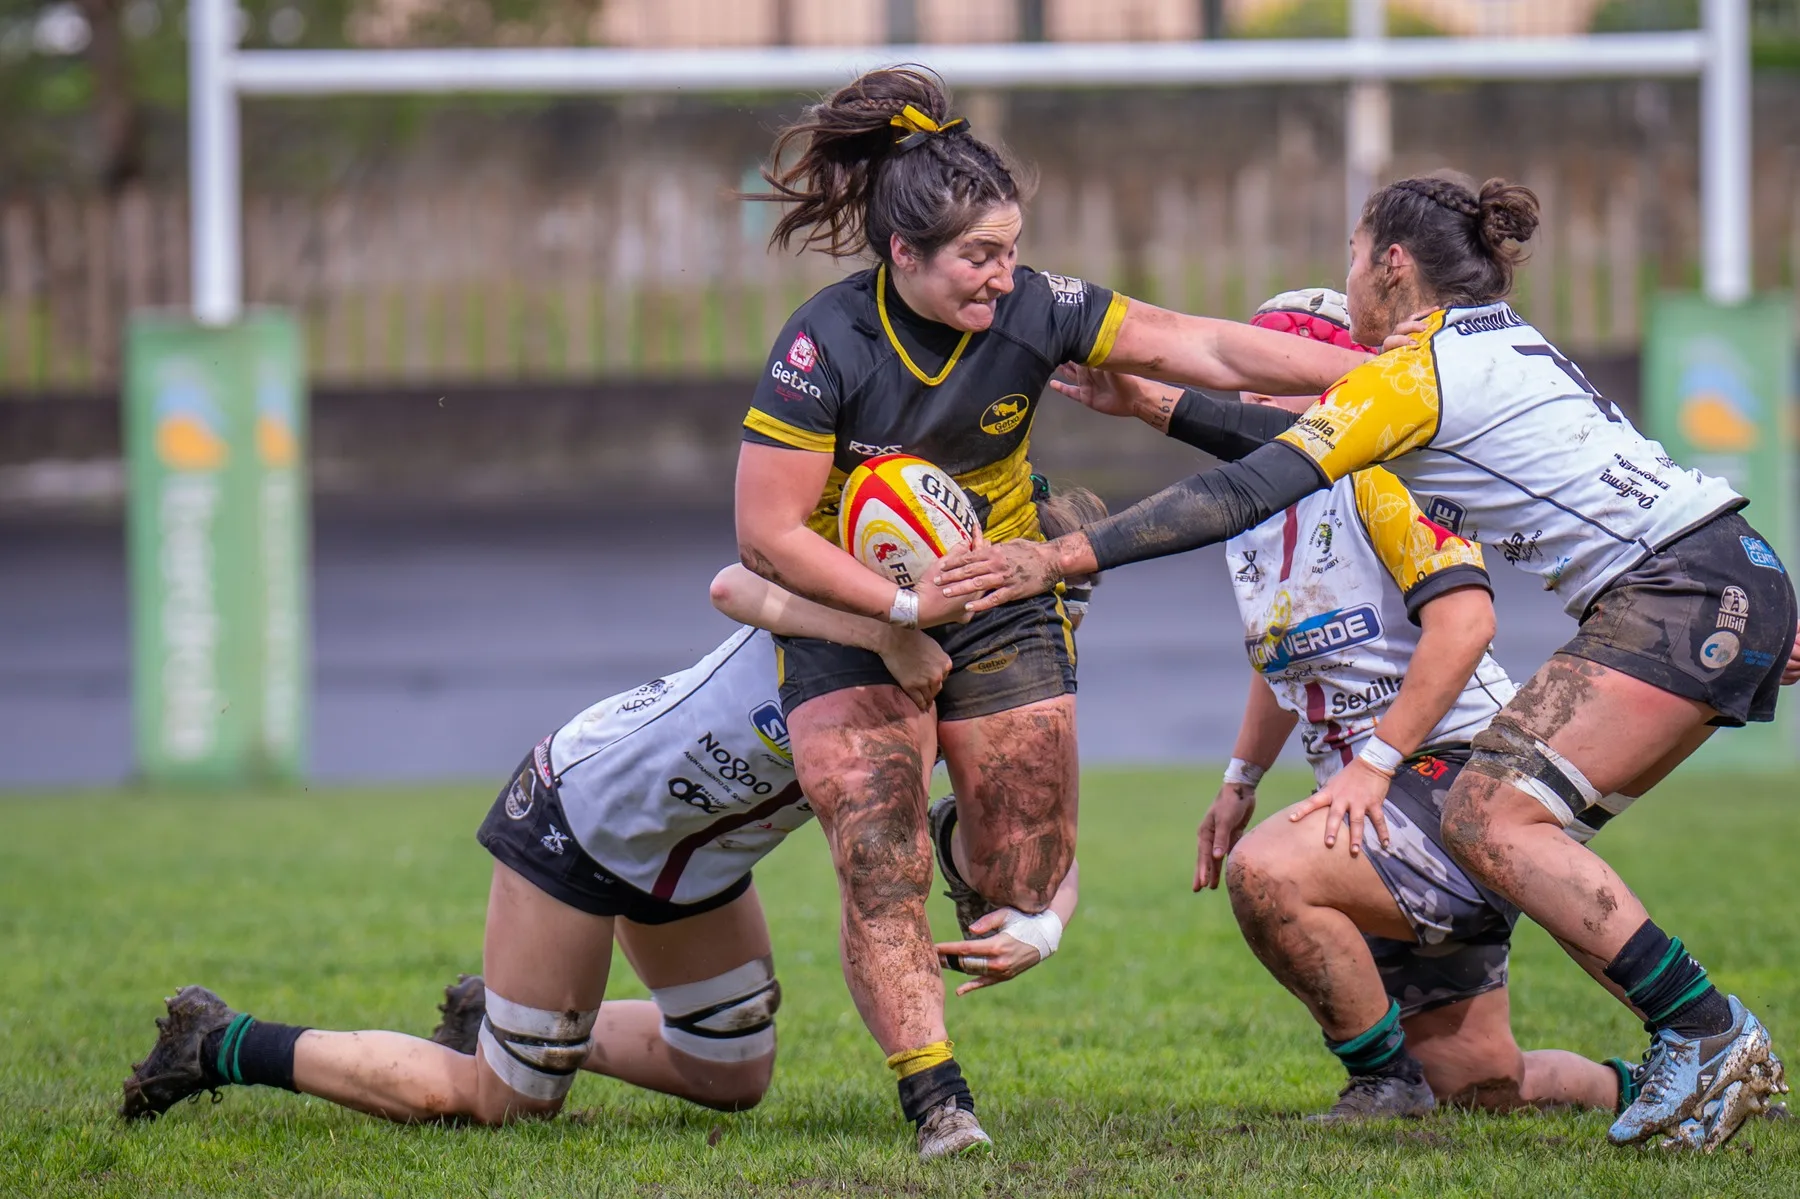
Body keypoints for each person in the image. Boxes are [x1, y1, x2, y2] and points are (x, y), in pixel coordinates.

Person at [936, 173, 1800, 1151]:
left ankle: (1705, 1028)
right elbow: (1284, 445)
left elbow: (1252, 484)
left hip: (1679, 589)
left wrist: (1056, 555)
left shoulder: (1415, 367)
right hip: (1716, 568)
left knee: (1487, 812)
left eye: (1352, 255)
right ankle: (1683, 1044)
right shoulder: (1498, 338)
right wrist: (1159, 404)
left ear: (1391, 262)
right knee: (1482, 981)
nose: (1348, 278)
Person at [733, 64, 1368, 1158]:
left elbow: (1203, 345)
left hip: (1004, 586)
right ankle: (937, 1095)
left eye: (1011, 249)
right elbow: (766, 535)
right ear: (904, 256)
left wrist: (1374, 366)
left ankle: (967, 833)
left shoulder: (1038, 307)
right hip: (854, 607)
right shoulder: (824, 343)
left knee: (1024, 881)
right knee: (872, 847)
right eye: (979, 258)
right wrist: (897, 602)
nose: (1003, 275)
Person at [119, 491, 1097, 1141]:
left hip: (696, 865)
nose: (1057, 624)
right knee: (505, 1100)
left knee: (733, 1074)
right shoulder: (883, 587)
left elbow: (1037, 836)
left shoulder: (989, 687)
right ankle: (218, 1040)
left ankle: (501, 1019)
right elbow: (736, 583)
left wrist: (1042, 925)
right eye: (1049, 594)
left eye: (1072, 604)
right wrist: (880, 625)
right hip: (586, 818)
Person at [1150, 288, 1628, 1121]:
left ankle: (1382, 1082)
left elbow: (1467, 623)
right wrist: (1239, 778)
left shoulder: (1387, 474)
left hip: (1461, 775)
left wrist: (1375, 764)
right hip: (1371, 793)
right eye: (1250, 377)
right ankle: (1641, 1081)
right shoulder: (1253, 513)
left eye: (1282, 375)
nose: (1256, 398)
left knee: (1270, 871)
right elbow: (1285, 657)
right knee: (1483, 1084)